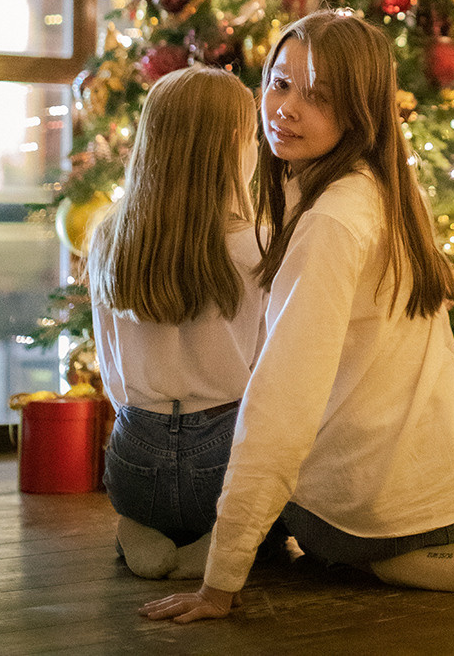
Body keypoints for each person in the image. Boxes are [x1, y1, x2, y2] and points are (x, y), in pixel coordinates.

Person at [141, 9, 454, 624]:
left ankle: (409, 559)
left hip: (353, 512)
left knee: (325, 530)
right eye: (280, 84)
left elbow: (280, 403)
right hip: (434, 479)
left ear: (358, 112)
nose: (284, 109)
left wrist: (220, 583)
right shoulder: (387, 190)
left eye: (317, 97)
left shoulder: (330, 222)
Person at [87, 64, 265, 580]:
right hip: (223, 456)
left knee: (143, 485)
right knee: (286, 487)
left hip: (134, 454)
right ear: (235, 143)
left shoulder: (107, 238)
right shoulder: (258, 244)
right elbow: (269, 373)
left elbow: (111, 371)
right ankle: (220, 541)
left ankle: (138, 526)